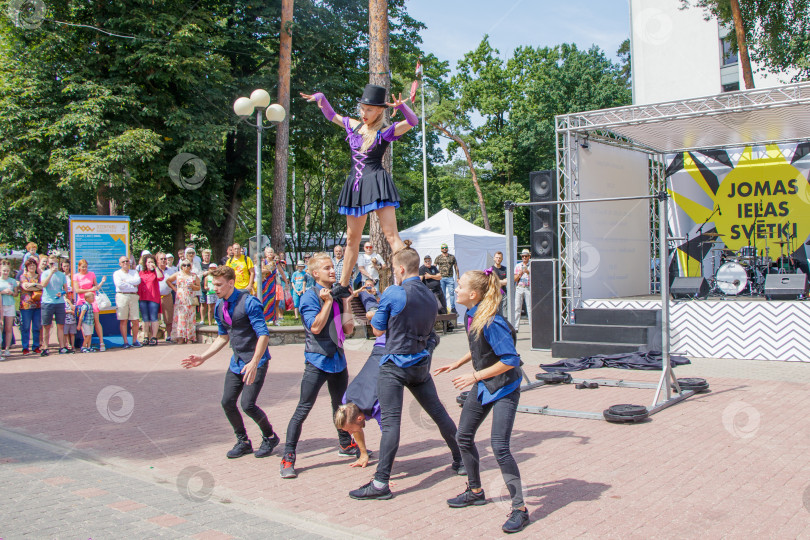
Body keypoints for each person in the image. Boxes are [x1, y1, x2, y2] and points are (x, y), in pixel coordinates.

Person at [349, 242, 464, 500]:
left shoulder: (393, 292)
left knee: (391, 423)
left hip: (395, 363)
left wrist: (375, 312)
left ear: (401, 269)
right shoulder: (430, 296)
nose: (394, 272)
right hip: (420, 363)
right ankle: (461, 460)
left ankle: (381, 483)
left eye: (394, 268)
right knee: (439, 413)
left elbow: (378, 330)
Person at [301, 84, 419, 300]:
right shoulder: (353, 126)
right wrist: (321, 97)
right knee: (351, 240)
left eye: (370, 110)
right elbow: (332, 116)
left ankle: (409, 281)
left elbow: (413, 122)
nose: (364, 113)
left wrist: (402, 107)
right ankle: (343, 285)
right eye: (362, 108)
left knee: (392, 235)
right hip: (356, 185)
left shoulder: (384, 132)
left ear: (380, 111)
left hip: (376, 181)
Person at [434, 269, 529, 534]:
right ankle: (475, 491)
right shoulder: (471, 315)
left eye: (460, 285)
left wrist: (474, 375)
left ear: (473, 294)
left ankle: (520, 509)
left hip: (505, 388)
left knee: (500, 447)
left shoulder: (492, 321)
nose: (456, 288)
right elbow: (479, 347)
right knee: (463, 436)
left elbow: (510, 359)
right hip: (485, 384)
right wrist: (457, 363)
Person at [180, 265, 280, 460]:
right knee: (227, 402)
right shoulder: (219, 306)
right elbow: (222, 337)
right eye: (212, 284)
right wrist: (203, 357)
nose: (214, 288)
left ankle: (270, 437)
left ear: (231, 283)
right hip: (237, 361)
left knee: (248, 404)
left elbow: (263, 335)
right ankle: (243, 441)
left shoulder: (249, 302)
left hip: (256, 362)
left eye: (218, 285)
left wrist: (254, 362)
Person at [280, 253, 356, 479]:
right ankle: (288, 456)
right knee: (303, 408)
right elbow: (315, 327)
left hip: (338, 359)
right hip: (317, 359)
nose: (332, 270)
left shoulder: (336, 295)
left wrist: (345, 302)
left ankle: (345, 444)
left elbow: (349, 329)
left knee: (340, 406)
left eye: (332, 267)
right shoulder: (309, 297)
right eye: (327, 268)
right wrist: (328, 302)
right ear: (315, 274)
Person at [40, 254, 70, 355]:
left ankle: (62, 346)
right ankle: (45, 347)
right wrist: (51, 273)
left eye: (55, 263)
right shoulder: (45, 273)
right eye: (51, 263)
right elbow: (43, 285)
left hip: (59, 302)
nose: (53, 265)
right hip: (47, 302)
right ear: (48, 264)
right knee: (46, 325)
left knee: (60, 325)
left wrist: (61, 293)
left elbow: (65, 289)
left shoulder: (62, 275)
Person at [73, 259, 106, 351]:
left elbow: (96, 287)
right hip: (82, 301)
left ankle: (101, 342)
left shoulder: (91, 274)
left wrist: (102, 282)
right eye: (82, 267)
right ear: (79, 267)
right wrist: (90, 290)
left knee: (96, 321)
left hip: (93, 300)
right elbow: (78, 290)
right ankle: (86, 345)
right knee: (85, 322)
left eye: (86, 267)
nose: (84, 268)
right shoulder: (76, 276)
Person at [166, 260, 199, 344]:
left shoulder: (194, 276)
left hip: (190, 298)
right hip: (180, 299)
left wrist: (193, 286)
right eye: (184, 265)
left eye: (188, 265)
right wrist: (175, 289)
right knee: (180, 317)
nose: (186, 267)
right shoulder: (178, 274)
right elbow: (168, 280)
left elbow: (198, 287)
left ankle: (190, 337)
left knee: (190, 318)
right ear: (181, 266)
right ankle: (180, 337)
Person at [113, 255, 142, 348]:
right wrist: (132, 285)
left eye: (127, 261)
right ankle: (125, 342)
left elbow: (138, 281)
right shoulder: (117, 273)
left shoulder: (134, 272)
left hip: (133, 296)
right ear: (120, 264)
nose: (125, 263)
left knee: (135, 320)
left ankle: (134, 341)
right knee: (123, 320)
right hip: (122, 296)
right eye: (123, 262)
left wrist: (126, 281)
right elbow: (119, 284)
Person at [138, 253, 164, 346]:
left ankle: (154, 336)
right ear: (145, 263)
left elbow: (161, 277)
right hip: (143, 298)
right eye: (148, 262)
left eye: (152, 262)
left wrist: (156, 267)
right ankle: (146, 336)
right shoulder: (141, 273)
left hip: (153, 298)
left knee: (153, 317)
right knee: (145, 318)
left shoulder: (156, 272)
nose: (150, 263)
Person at [18, 257, 42, 355]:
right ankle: (25, 347)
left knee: (36, 327)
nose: (32, 267)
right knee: (26, 327)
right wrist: (36, 285)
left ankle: (36, 346)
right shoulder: (23, 276)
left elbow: (42, 286)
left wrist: (32, 285)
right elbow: (25, 286)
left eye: (33, 265)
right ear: (27, 267)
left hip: (37, 305)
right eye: (30, 265)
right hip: (26, 305)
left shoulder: (39, 276)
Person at [435, 243, 460, 314]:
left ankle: (453, 307)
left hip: (449, 278)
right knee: (442, 294)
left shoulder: (452, 257)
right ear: (441, 249)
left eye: (445, 247)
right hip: (441, 278)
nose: (444, 249)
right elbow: (434, 266)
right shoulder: (438, 257)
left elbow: (456, 267)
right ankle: (444, 307)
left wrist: (458, 277)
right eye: (443, 248)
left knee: (452, 293)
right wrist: (435, 276)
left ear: (447, 248)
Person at [157, 252, 176, 341]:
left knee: (169, 318)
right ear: (157, 260)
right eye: (161, 259)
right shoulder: (154, 271)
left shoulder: (171, 271)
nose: (164, 260)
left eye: (165, 258)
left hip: (167, 296)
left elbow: (175, 283)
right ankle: (153, 336)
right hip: (155, 297)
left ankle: (169, 335)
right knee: (154, 318)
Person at [0, 264, 18, 357]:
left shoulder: (12, 281)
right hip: (1, 306)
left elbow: (16, 293)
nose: (6, 272)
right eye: (4, 270)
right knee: (1, 328)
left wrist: (11, 293)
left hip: (10, 305)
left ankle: (7, 348)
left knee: (8, 328)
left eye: (7, 271)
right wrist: (2, 292)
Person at [260, 246, 279, 326]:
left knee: (272, 300)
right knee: (264, 300)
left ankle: (274, 319)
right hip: (264, 283)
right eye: (268, 252)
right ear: (265, 253)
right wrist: (270, 269)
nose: (270, 254)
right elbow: (261, 270)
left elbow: (278, 270)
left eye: (271, 252)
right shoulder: (263, 261)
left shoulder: (275, 262)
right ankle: (264, 319)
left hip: (272, 283)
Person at [514, 249, 532, 332]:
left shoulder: (531, 265)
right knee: (517, 307)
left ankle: (532, 326)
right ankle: (516, 327)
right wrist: (520, 273)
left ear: (529, 256)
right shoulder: (518, 266)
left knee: (529, 307)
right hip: (520, 287)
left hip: (528, 287)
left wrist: (528, 272)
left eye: (526, 256)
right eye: (523, 256)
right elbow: (514, 279)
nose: (524, 257)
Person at [490, 251, 508, 316]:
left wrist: (497, 281)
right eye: (497, 257)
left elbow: (507, 281)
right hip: (494, 293)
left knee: (504, 313)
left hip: (503, 293)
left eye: (500, 258)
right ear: (494, 258)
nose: (498, 259)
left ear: (502, 259)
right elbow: (491, 282)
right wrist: (501, 281)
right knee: (494, 312)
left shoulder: (505, 269)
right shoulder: (491, 270)